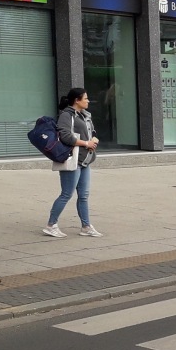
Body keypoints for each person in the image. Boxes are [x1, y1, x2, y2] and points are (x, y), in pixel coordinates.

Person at [44, 88, 102, 238]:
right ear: (77, 100)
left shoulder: (85, 115)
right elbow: (65, 136)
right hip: (73, 159)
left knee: (83, 195)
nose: (88, 101)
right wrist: (86, 143)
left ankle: (86, 226)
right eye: (86, 98)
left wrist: (94, 140)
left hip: (85, 160)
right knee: (66, 194)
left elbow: (92, 131)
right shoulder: (66, 115)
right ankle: (51, 225)